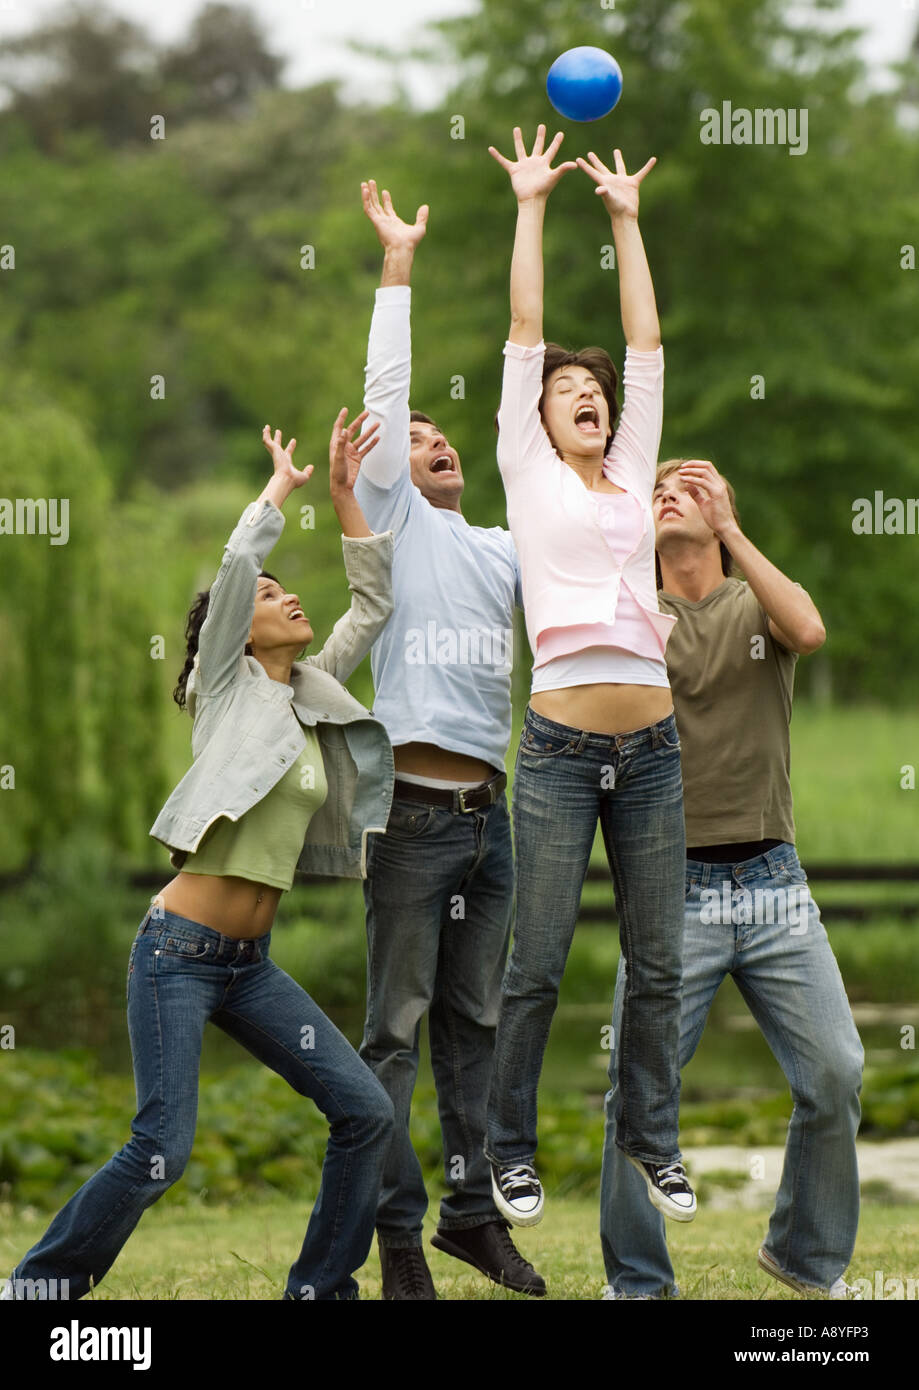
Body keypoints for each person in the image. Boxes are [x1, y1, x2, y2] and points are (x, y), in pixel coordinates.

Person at [3, 413, 397, 1303]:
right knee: (162, 1150)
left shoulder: (309, 693)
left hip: (250, 967)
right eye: (269, 595)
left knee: (364, 1114)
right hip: (176, 954)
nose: (286, 599)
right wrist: (278, 494)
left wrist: (343, 501)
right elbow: (230, 576)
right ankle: (38, 1288)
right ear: (236, 629)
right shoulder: (222, 690)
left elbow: (371, 606)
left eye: (288, 590)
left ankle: (317, 1291)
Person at [484, 126, 695, 1229]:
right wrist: (533, 202)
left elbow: (645, 337)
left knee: (659, 960)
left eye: (593, 389)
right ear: (538, 410)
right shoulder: (526, 471)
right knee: (538, 962)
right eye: (565, 387)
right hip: (561, 750)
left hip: (654, 750)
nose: (585, 393)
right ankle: (509, 1155)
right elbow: (524, 327)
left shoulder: (632, 469)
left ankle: (654, 1142)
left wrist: (624, 217)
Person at [600, 458, 864, 1300]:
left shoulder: (758, 604)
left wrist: (732, 531)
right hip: (668, 891)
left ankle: (804, 1258)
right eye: (657, 487)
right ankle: (638, 1283)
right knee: (635, 1095)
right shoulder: (634, 614)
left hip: (774, 882)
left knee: (835, 1072)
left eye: (692, 484)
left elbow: (812, 630)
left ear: (721, 512)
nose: (671, 489)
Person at [353, 179, 544, 1299]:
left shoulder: (506, 548)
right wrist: (396, 266)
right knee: (392, 1036)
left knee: (474, 1030)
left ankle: (474, 1216)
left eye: (438, 436)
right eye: (412, 440)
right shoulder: (401, 521)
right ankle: (393, 1237)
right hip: (412, 820)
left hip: (491, 823)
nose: (430, 443)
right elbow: (386, 394)